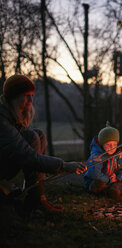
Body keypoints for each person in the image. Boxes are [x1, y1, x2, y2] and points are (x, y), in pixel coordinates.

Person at [0, 74, 86, 216]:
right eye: (26, 96)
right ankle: (34, 200)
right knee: (31, 136)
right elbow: (27, 156)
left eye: (32, 96)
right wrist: (64, 166)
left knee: (39, 134)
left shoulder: (11, 116)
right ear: (13, 98)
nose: (30, 101)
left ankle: (38, 197)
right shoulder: (2, 120)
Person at [83, 122, 122, 200]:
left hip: (112, 179)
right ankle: (112, 190)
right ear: (102, 144)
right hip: (99, 180)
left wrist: (117, 177)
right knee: (99, 184)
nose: (112, 147)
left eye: (114, 144)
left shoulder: (117, 154)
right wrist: (109, 180)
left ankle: (116, 188)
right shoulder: (97, 156)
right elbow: (96, 174)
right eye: (108, 144)